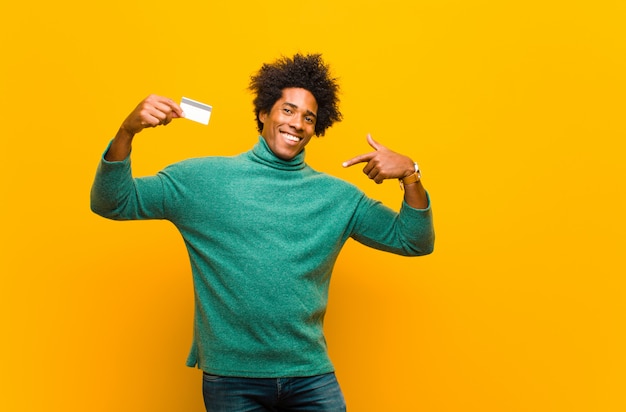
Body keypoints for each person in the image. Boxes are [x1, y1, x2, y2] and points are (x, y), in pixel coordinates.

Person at [91, 53, 434, 412]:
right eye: (287, 110)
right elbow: (112, 202)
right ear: (263, 113)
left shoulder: (338, 198)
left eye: (308, 117)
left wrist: (411, 174)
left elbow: (414, 241)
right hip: (232, 379)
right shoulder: (202, 181)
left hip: (310, 375)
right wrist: (127, 131)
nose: (297, 123)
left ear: (315, 129)